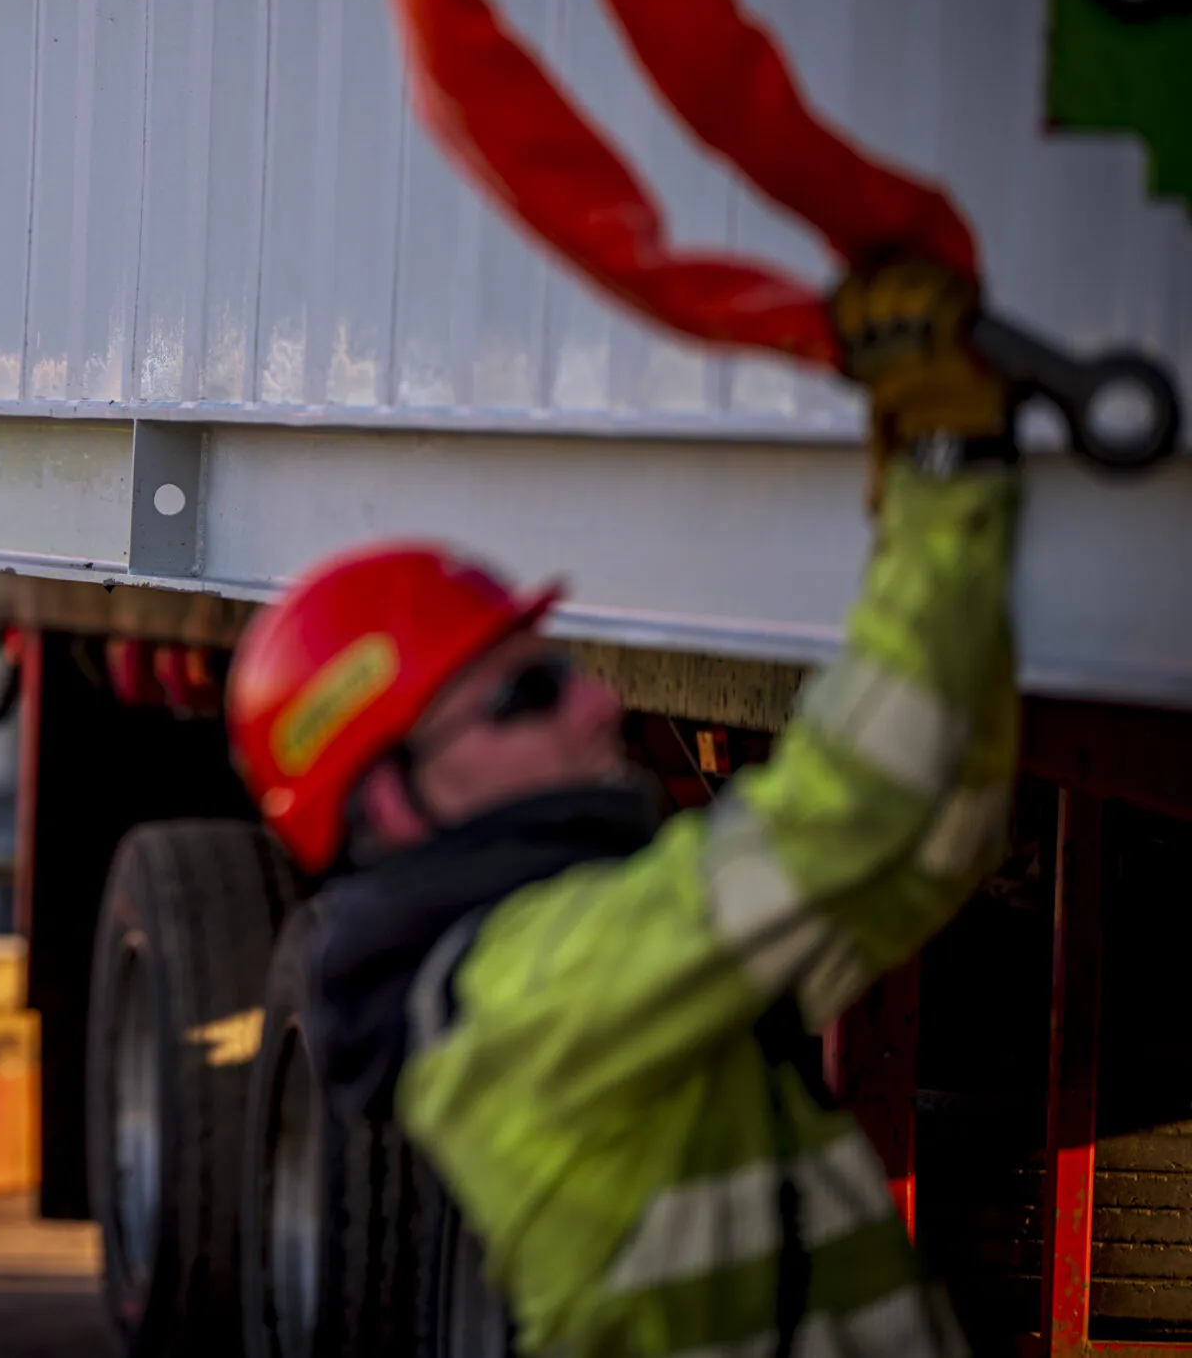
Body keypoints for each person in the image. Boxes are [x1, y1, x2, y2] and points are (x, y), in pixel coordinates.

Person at [226, 260, 1020, 1357]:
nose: (601, 700)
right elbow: (848, 812)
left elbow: (930, 835)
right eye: (530, 692)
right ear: (396, 803)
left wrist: (934, 540)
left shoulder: (587, 958)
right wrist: (946, 477)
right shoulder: (527, 993)